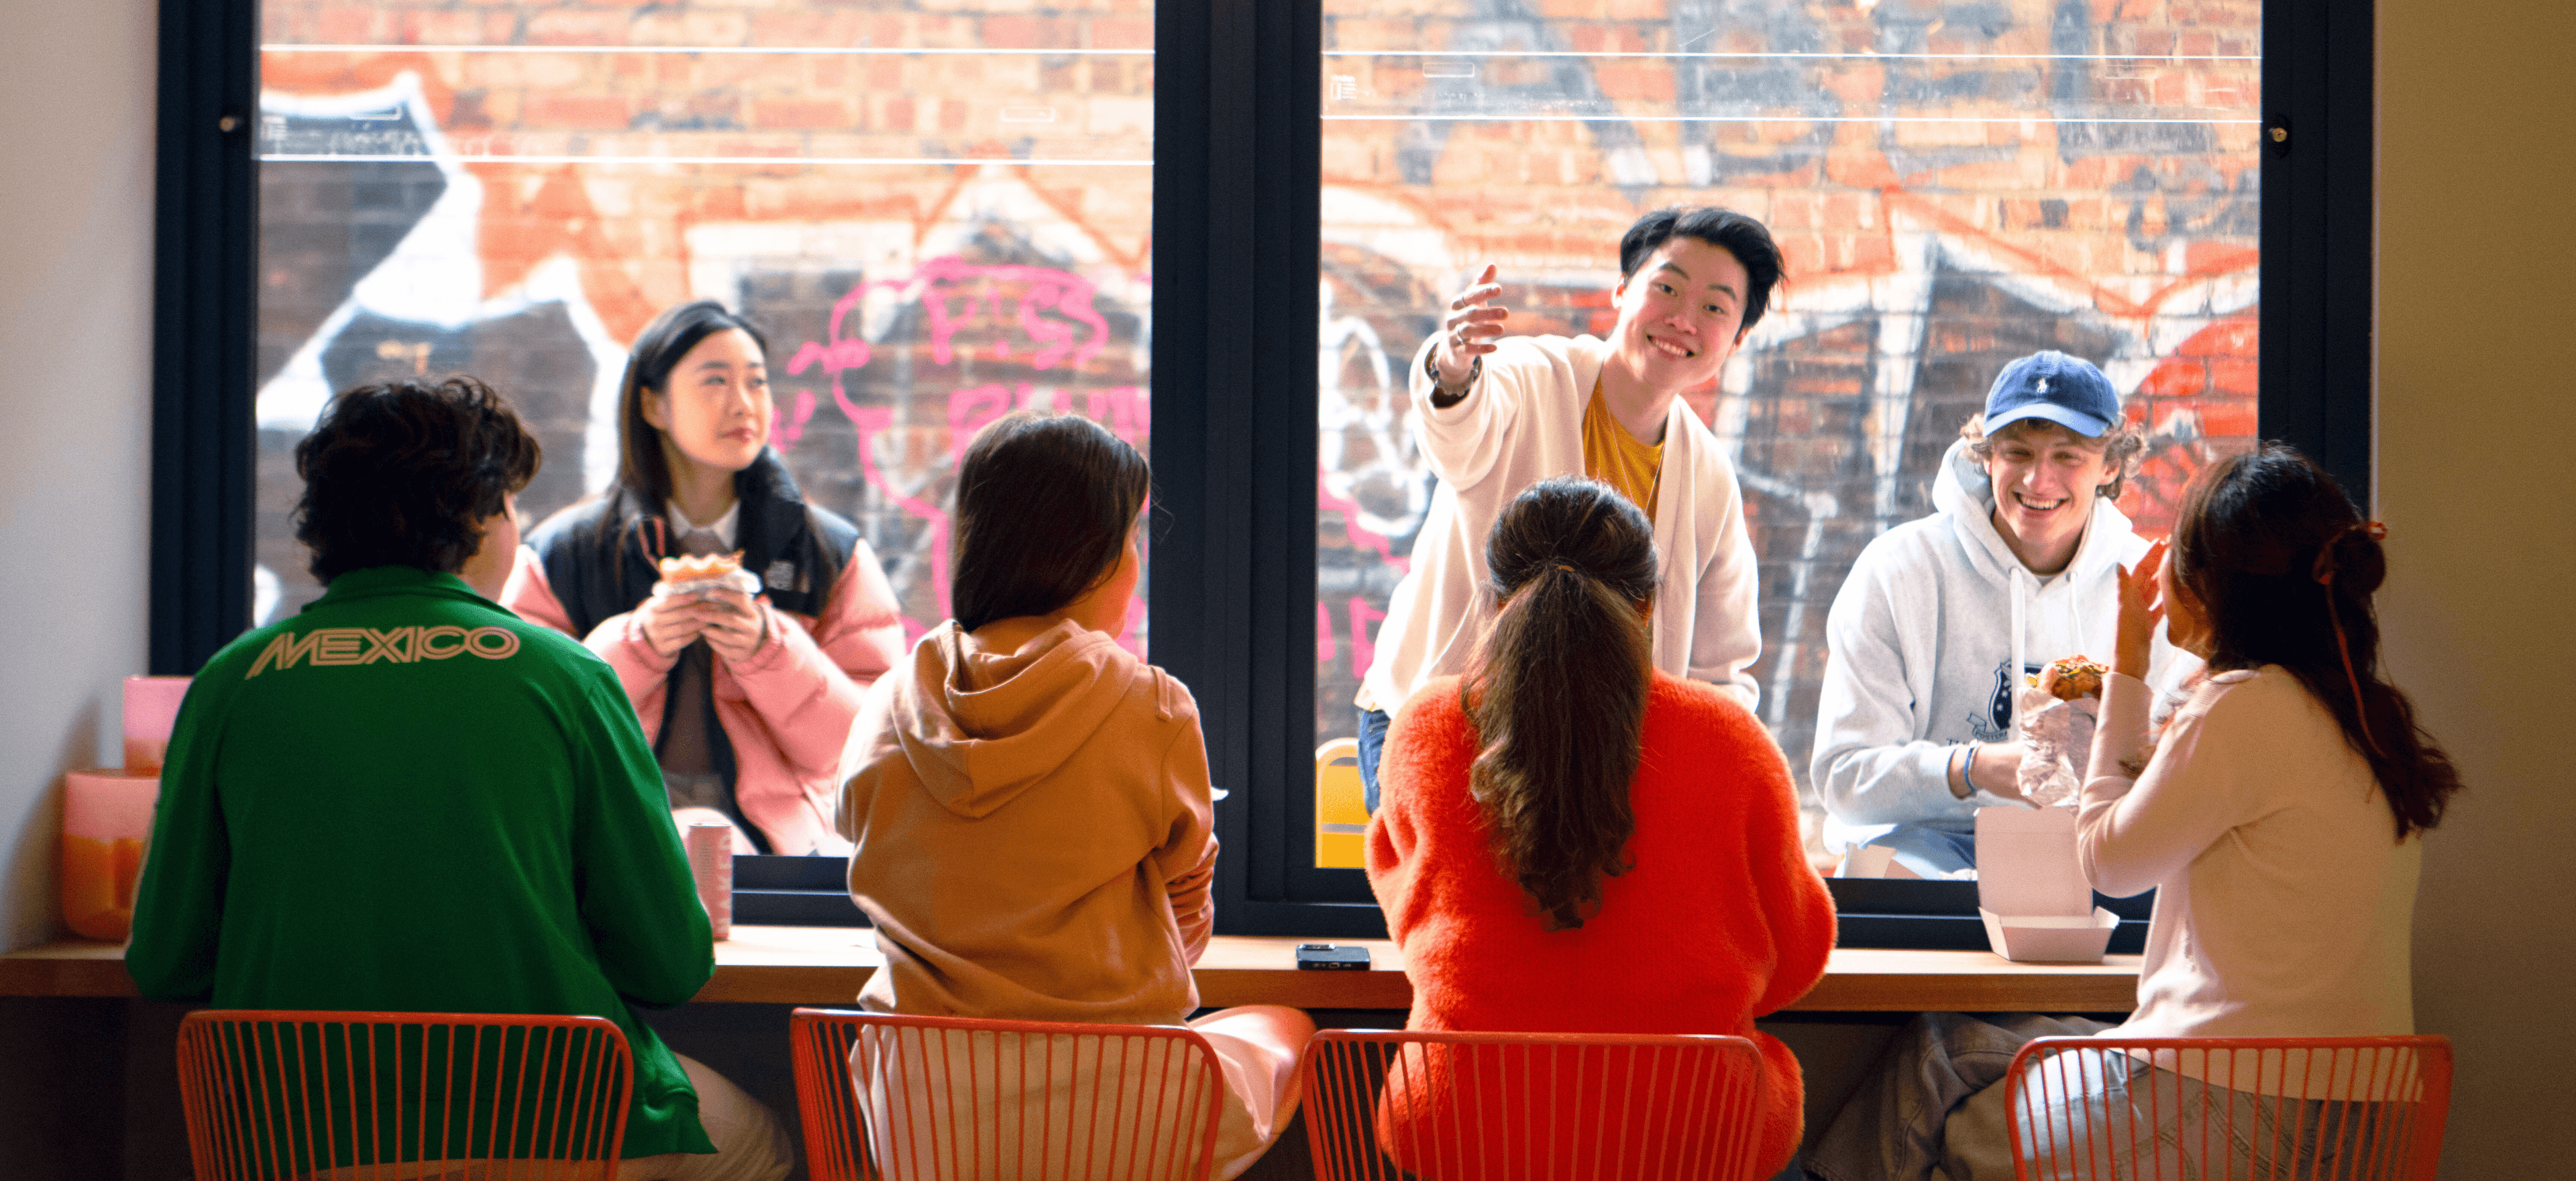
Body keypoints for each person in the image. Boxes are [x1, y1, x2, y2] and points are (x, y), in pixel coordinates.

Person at [127, 378, 792, 1180]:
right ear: (477, 519)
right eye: (510, 506)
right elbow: (670, 966)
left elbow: (164, 961)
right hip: (546, 1137)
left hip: (293, 1143)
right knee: (763, 1143)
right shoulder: (566, 676)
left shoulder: (231, 682)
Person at [1807, 444, 2465, 1181]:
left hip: (2231, 1105)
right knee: (1947, 1048)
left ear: (2215, 586)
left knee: (1961, 1124)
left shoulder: (2242, 706)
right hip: (2356, 1121)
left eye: (2176, 552)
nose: (2158, 570)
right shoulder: (2367, 717)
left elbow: (2108, 863)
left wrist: (2127, 662)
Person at [835, 410, 1315, 1180]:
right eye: (1133, 539)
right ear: (1095, 560)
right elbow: (1186, 927)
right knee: (1284, 1026)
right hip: (1120, 1126)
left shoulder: (887, 707)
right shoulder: (1152, 707)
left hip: (925, 1126)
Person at [1367, 477, 1836, 1180]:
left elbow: (1409, 912)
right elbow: (1796, 960)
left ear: (1494, 600)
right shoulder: (1732, 740)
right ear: (1647, 605)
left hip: (1464, 1135)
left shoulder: (1426, 727)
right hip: (1688, 1142)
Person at [1353, 207, 1781, 809]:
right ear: (1622, 289)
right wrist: (1453, 367)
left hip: (1584, 763)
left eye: (1715, 307)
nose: (1683, 319)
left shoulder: (1709, 478)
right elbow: (1460, 432)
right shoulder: (1532, 376)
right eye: (1666, 288)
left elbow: (1720, 673)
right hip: (1438, 722)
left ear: (1736, 340)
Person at [507, 300, 905, 855]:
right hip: (605, 836)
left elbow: (866, 747)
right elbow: (523, 728)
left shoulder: (830, 552)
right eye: (715, 381)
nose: (743, 403)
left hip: (777, 850)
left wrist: (770, 649)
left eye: (757, 382)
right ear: (653, 405)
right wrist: (638, 645)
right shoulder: (563, 554)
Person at [1811, 350, 2190, 876]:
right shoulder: (1898, 569)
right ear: (1987, 457)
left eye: (2067, 456)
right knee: (1883, 877)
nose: (2038, 480)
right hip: (1923, 845)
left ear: (2110, 466)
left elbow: (2182, 766)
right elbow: (1844, 778)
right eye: (2018, 452)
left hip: (2085, 845)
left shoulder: (2146, 585)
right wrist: (1973, 768)